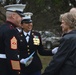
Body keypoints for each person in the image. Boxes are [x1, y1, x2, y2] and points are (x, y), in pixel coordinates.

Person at [0, 4, 26, 75]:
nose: (22, 19)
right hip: (6, 69)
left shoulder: (2, 28)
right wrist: (17, 72)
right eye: (21, 16)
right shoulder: (11, 31)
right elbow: (12, 55)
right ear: (13, 16)